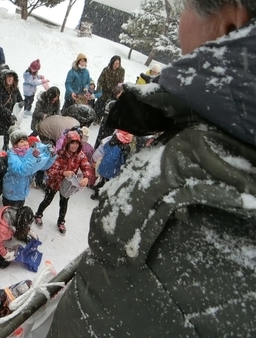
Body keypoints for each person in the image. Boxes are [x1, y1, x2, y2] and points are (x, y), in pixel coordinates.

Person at [47, 1, 256, 336]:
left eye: (186, 6)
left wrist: (89, 172)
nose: (178, 26)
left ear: (228, 23)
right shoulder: (206, 137)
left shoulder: (199, 173)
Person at [34, 131, 90, 235]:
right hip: (54, 182)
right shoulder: (59, 154)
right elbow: (50, 171)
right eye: (72, 143)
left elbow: (86, 166)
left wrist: (86, 177)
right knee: (47, 200)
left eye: (77, 143)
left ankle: (61, 221)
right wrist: (63, 173)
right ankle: (38, 214)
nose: (74, 146)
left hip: (68, 185)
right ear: (67, 143)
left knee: (64, 204)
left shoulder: (80, 155)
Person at [2, 127, 56, 207]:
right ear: (15, 145)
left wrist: (52, 156)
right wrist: (33, 157)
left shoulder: (29, 153)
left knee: (18, 215)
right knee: (9, 215)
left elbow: (42, 166)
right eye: (21, 141)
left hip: (22, 192)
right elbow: (22, 171)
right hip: (12, 192)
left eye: (26, 141)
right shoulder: (13, 156)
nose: (25, 143)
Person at [90, 129, 133, 200]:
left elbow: (105, 148)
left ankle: (97, 187)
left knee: (103, 178)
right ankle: (98, 193)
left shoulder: (112, 142)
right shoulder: (124, 149)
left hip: (104, 164)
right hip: (113, 169)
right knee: (106, 182)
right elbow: (122, 161)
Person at [0, 69, 23, 151]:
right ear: (4, 79)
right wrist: (10, 113)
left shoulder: (15, 90)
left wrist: (22, 103)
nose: (10, 80)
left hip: (10, 118)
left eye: (12, 78)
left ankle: (5, 149)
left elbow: (20, 99)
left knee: (8, 134)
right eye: (8, 77)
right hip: (0, 118)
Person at [95, 55, 125, 121]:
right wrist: (99, 89)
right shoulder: (106, 69)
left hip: (113, 92)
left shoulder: (121, 71)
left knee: (110, 106)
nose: (116, 65)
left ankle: (106, 119)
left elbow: (120, 83)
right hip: (104, 90)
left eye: (117, 63)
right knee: (100, 104)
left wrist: (116, 91)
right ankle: (97, 118)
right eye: (114, 63)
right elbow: (100, 80)